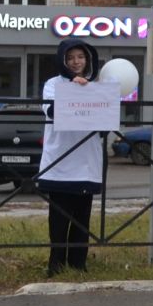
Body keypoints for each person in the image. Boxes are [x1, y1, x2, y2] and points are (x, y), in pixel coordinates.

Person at [38, 36, 107, 274]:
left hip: (87, 162)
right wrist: (74, 89)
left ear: (88, 59)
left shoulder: (97, 85)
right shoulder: (52, 84)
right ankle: (56, 264)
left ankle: (78, 264)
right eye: (70, 58)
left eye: (80, 57)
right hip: (60, 161)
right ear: (62, 60)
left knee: (82, 218)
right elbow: (53, 110)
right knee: (58, 218)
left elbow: (106, 122)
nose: (76, 62)